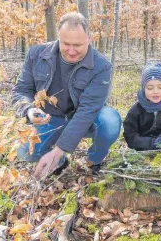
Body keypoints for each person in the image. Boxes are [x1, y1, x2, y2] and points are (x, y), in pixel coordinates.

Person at [12, 12, 121, 179]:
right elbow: (21, 90)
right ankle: (60, 161)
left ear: (89, 40)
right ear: (59, 38)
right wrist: (28, 110)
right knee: (24, 152)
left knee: (110, 120)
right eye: (66, 44)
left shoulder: (101, 66)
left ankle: (94, 161)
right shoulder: (36, 55)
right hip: (49, 118)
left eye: (77, 45)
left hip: (84, 120)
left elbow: (87, 111)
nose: (71, 51)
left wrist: (58, 149)